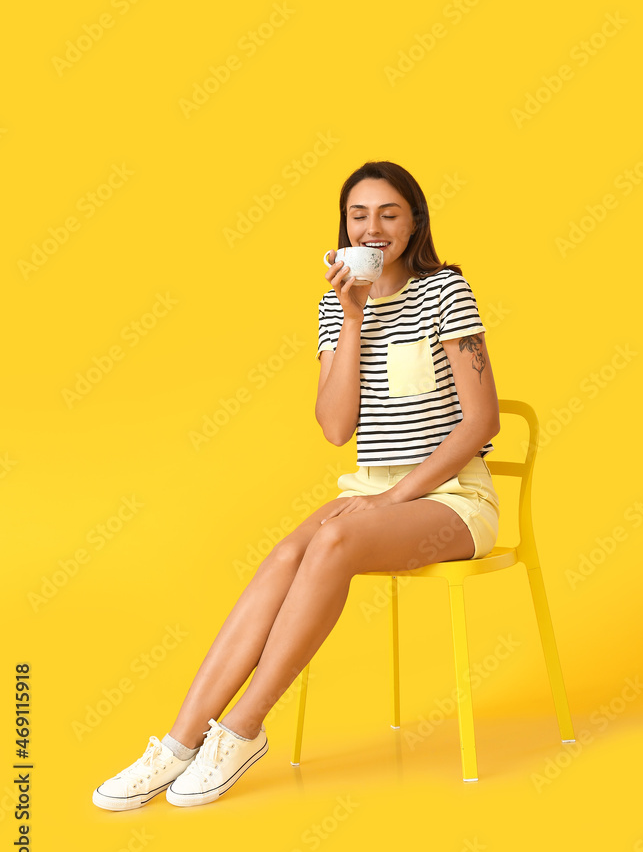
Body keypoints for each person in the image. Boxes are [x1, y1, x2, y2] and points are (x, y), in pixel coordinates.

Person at [92, 160, 501, 811]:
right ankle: (177, 742)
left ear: (414, 222)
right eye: (358, 215)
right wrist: (350, 317)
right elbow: (336, 429)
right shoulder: (333, 305)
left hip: (451, 500)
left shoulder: (444, 291)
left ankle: (243, 728)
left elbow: (482, 420)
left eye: (389, 213)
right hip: (369, 494)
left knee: (334, 540)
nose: (372, 228)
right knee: (286, 553)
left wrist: (392, 499)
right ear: (341, 226)